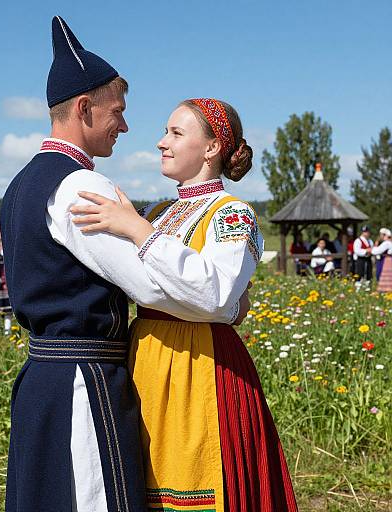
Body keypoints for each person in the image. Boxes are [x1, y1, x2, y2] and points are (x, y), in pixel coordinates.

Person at [0, 18, 251, 512]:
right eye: (117, 111)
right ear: (83, 108)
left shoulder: (21, 183)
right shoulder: (82, 188)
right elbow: (157, 288)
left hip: (46, 377)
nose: (127, 126)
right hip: (82, 380)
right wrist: (226, 307)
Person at [71, 99, 298, 510]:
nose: (161, 142)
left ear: (211, 148)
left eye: (176, 133)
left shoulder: (232, 214)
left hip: (201, 363)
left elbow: (215, 293)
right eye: (165, 132)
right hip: (146, 359)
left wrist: (139, 232)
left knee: (197, 477)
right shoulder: (157, 212)